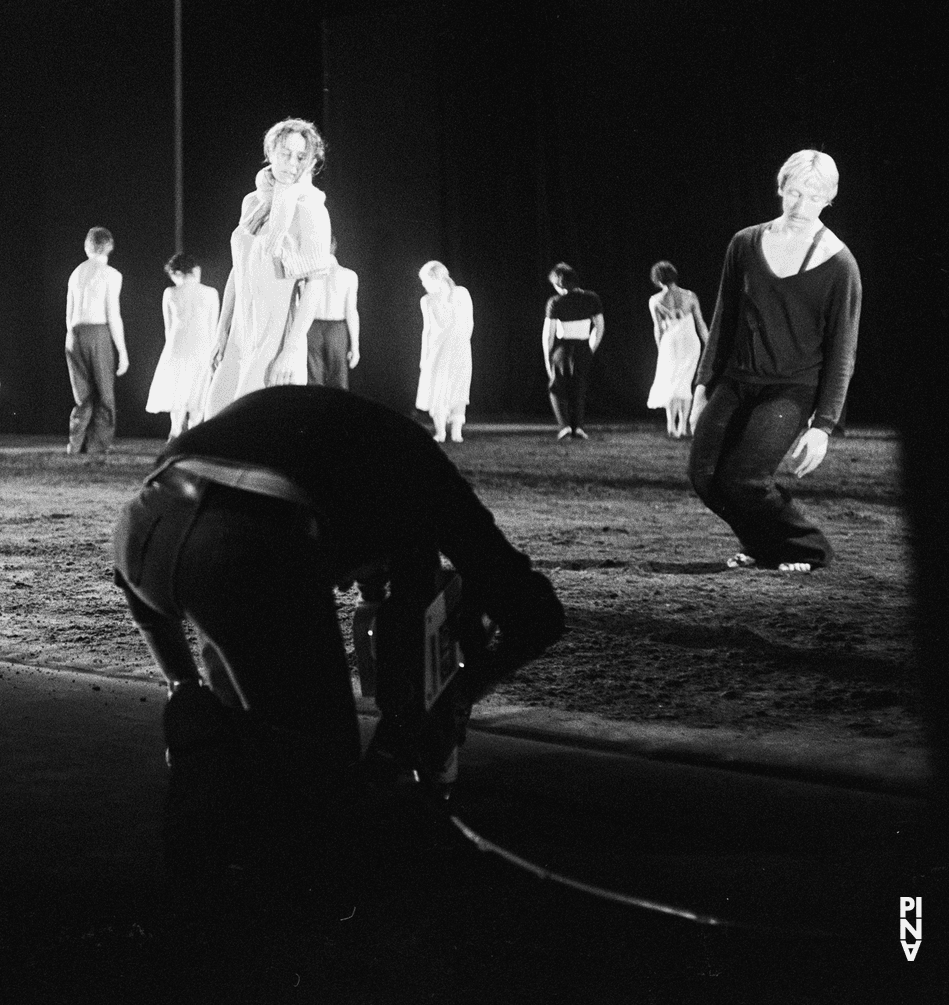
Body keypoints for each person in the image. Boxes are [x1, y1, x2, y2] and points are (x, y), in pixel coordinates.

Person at [113, 386, 564, 856]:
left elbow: (140, 572)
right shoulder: (422, 478)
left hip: (142, 534)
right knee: (324, 775)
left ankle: (211, 783)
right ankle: (261, 852)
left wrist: (182, 682)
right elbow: (538, 614)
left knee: (245, 709)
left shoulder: (327, 438)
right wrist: (460, 693)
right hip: (242, 553)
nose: (347, 588)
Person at [688, 150, 861, 572]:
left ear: (830, 199)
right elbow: (723, 318)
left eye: (814, 197)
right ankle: (762, 545)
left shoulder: (840, 264)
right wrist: (701, 386)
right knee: (704, 477)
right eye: (795, 192)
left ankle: (808, 549)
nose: (802, 206)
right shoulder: (745, 243)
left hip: (792, 388)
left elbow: (843, 351)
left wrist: (823, 425)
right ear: (780, 188)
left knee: (744, 480)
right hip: (736, 379)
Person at [203, 118, 336, 416]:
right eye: (285, 154)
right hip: (240, 334)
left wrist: (290, 350)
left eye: (301, 157)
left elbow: (314, 286)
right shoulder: (253, 202)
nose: (292, 164)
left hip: (275, 338)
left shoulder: (311, 209)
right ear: (270, 152)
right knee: (215, 418)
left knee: (254, 423)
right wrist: (222, 331)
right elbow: (238, 270)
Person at [64, 226, 128, 453]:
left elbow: (68, 313)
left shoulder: (76, 273)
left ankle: (75, 444)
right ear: (109, 246)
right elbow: (113, 315)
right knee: (104, 394)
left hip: (74, 334)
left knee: (83, 396)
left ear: (87, 246)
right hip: (97, 332)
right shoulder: (111, 274)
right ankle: (97, 446)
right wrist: (122, 351)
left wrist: (72, 337)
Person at [146, 253, 218, 439]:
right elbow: (213, 327)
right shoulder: (211, 293)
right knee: (198, 391)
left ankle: (176, 430)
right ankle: (193, 433)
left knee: (178, 389)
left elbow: (168, 328)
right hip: (202, 345)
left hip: (177, 345)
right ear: (194, 270)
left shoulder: (170, 293)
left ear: (176, 273)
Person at [541, 262, 603, 440]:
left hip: (563, 348)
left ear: (559, 284)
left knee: (557, 388)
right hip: (583, 346)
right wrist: (591, 347)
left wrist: (547, 357)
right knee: (579, 387)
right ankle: (579, 427)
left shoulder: (555, 301)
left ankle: (565, 426)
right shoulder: (591, 298)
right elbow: (600, 326)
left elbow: (548, 334)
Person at [645, 261, 708, 438]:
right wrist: (709, 344)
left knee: (671, 384)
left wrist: (660, 349)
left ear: (657, 279)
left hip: (670, 343)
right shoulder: (690, 296)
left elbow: (658, 328)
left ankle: (671, 425)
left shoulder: (655, 300)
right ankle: (682, 427)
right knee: (685, 384)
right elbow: (701, 324)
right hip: (690, 342)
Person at [415, 261, 474, 442]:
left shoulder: (461, 293)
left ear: (435, 278)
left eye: (425, 280)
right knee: (437, 389)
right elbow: (427, 330)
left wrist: (462, 344)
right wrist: (424, 356)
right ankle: (440, 431)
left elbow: (469, 322)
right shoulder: (427, 300)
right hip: (437, 350)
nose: (423, 284)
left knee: (458, 388)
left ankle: (456, 431)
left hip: (459, 348)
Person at [306, 236, 359, 389]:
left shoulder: (309, 274)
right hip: (336, 330)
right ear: (334, 246)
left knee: (313, 381)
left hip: (312, 328)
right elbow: (351, 312)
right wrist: (355, 347)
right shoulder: (349, 275)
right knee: (338, 381)